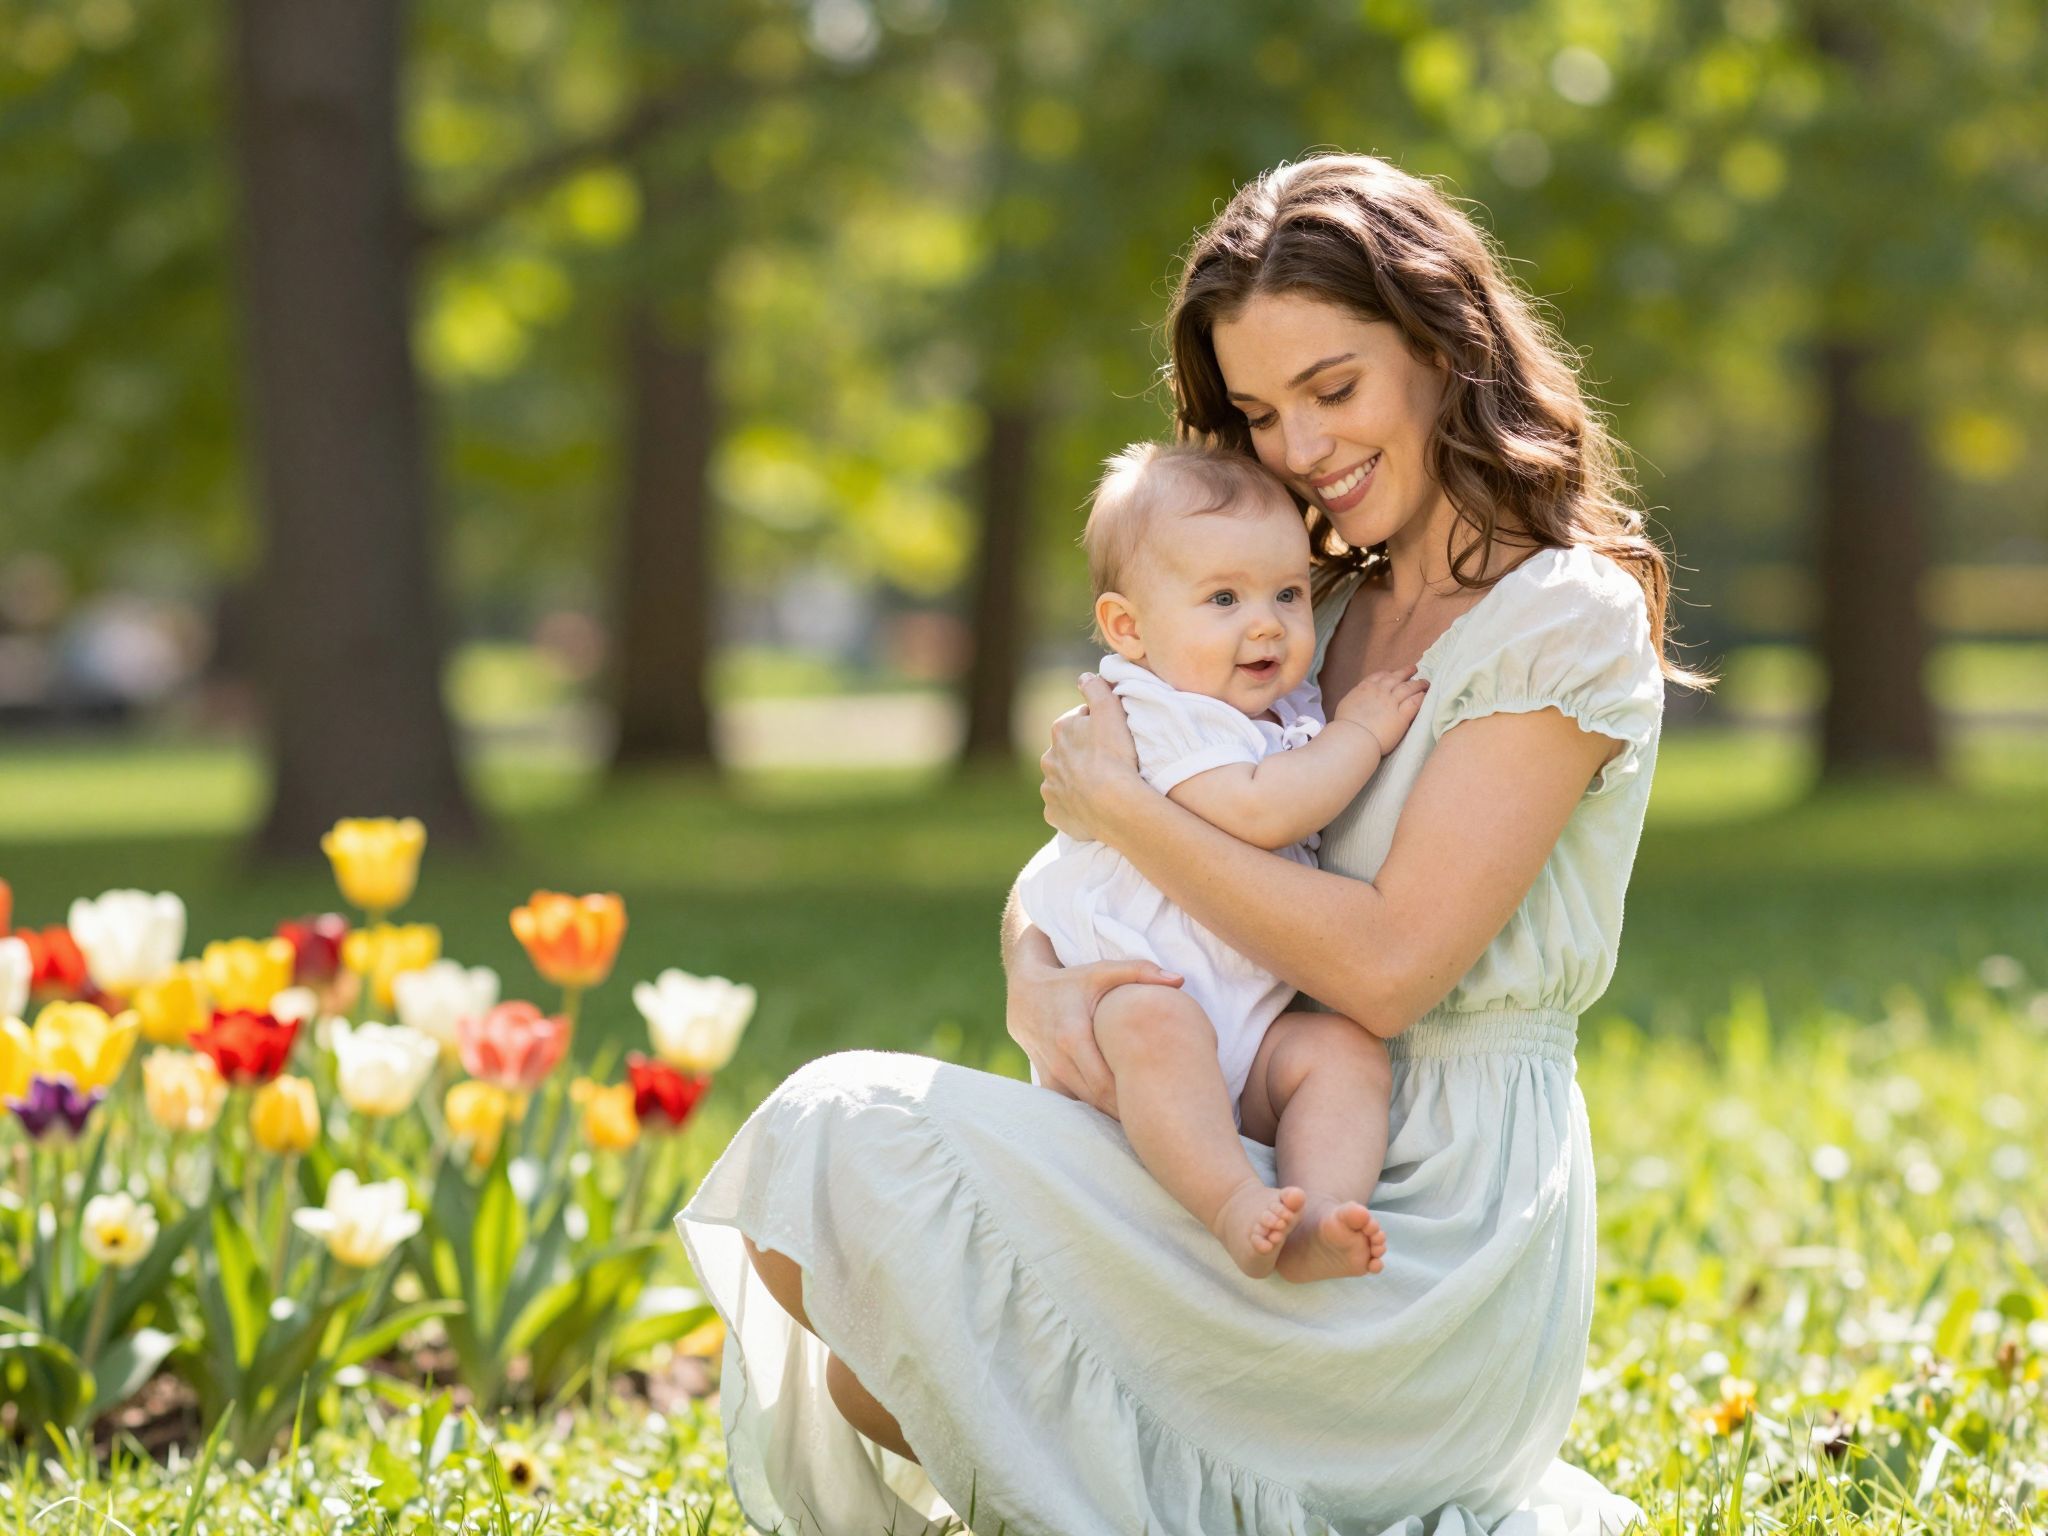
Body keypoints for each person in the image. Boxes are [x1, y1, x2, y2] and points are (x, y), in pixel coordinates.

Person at [677, 151, 1707, 1535]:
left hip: (1426, 1225)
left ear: (1441, 346)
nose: (1301, 449)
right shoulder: (1298, 607)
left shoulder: (1559, 617)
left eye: (1332, 389)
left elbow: (1387, 969)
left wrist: (1129, 812)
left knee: (849, 1134)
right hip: (1233, 1137)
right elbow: (1095, 843)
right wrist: (1038, 974)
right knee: (845, 1239)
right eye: (1261, 413)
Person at [1016, 438, 1425, 1282]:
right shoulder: (1154, 713)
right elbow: (1262, 808)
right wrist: (1359, 734)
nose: (1266, 622)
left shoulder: (1276, 706)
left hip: (1248, 1024)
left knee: (1342, 1053)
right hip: (1136, 1007)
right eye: (1225, 598)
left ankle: (1317, 1217)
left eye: (1287, 593)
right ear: (1129, 628)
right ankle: (1232, 1203)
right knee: (1156, 1025)